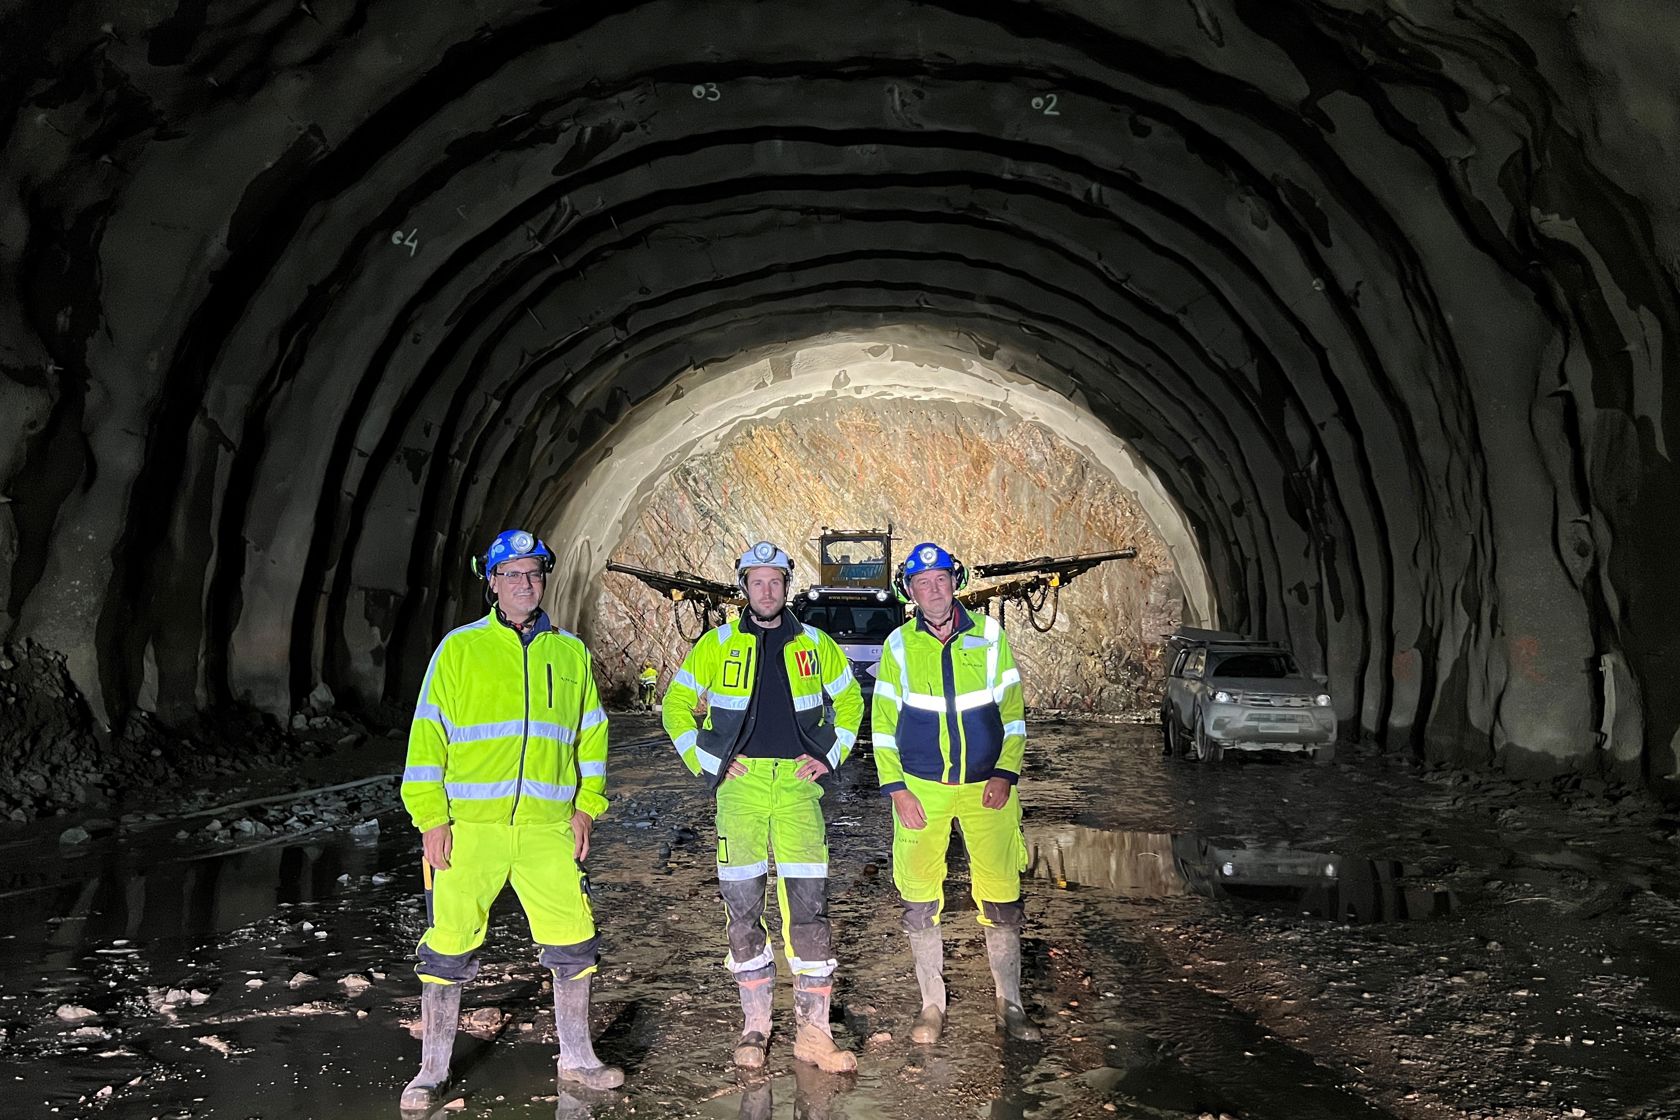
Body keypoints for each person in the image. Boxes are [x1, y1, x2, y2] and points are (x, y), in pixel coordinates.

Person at [399, 528, 622, 1111]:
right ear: (492, 583)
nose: (525, 584)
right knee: (447, 948)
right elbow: (428, 738)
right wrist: (430, 819)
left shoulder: (570, 653)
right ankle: (431, 1072)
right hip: (469, 830)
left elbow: (592, 736)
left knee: (574, 944)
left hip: (549, 828)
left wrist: (586, 807)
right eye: (512, 574)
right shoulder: (459, 650)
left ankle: (578, 1058)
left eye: (534, 573)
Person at [661, 540, 865, 1072]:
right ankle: (755, 1025)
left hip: (799, 790)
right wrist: (709, 763)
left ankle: (814, 1035)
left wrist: (829, 754)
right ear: (744, 587)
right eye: (758, 581)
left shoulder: (816, 645)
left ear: (786, 586)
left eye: (776, 581)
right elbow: (676, 706)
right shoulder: (717, 643)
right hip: (741, 790)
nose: (767, 590)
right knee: (743, 906)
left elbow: (849, 701)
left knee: (808, 906)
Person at [871, 541, 1042, 1043]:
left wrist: (1005, 773)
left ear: (955, 582)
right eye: (922, 583)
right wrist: (897, 790)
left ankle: (1009, 1004)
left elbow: (1013, 715)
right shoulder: (898, 646)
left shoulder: (990, 637)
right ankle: (931, 1007)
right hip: (922, 789)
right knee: (920, 898)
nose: (933, 589)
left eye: (941, 579)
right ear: (910, 590)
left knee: (1003, 895)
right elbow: (882, 727)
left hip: (987, 787)